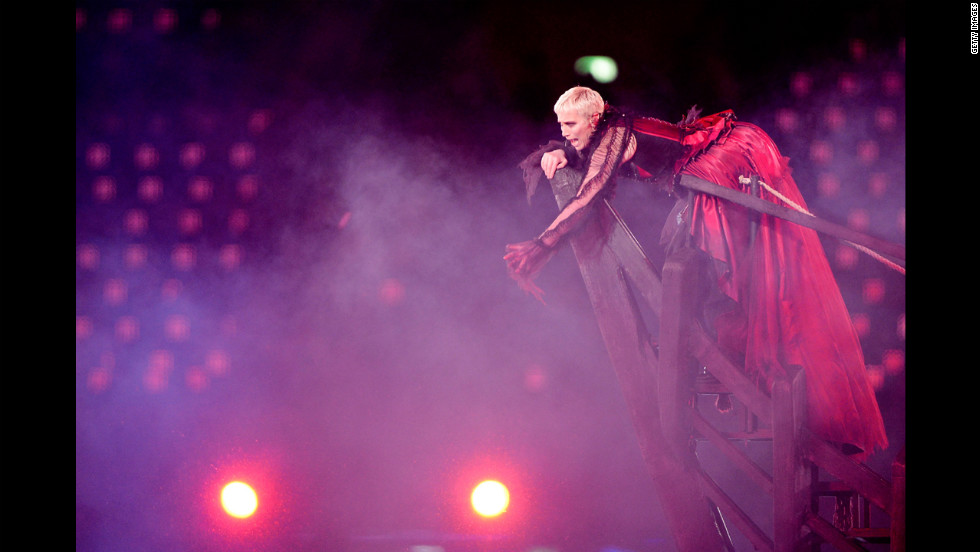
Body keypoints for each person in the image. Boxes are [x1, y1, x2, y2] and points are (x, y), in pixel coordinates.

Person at [504, 86, 888, 460]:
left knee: (696, 248)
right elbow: (580, 155)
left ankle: (719, 354)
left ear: (593, 119)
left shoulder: (614, 135)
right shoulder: (600, 132)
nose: (564, 132)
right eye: (560, 125)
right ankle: (718, 352)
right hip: (707, 162)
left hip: (723, 160)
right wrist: (556, 154)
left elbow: (590, 192)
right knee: (688, 249)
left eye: (569, 125)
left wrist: (542, 244)